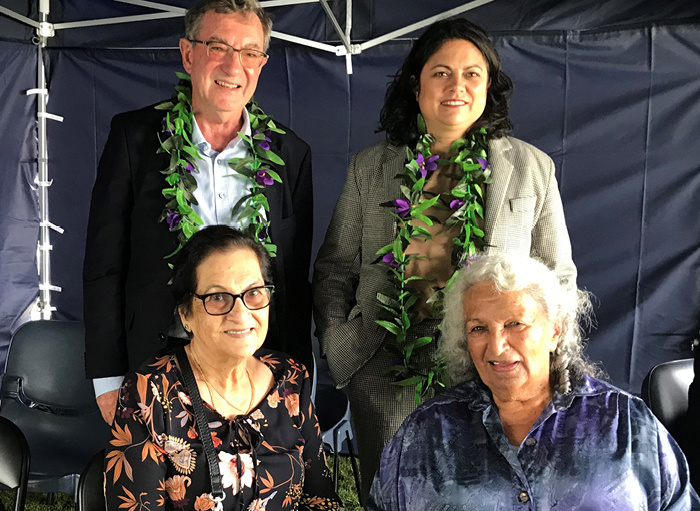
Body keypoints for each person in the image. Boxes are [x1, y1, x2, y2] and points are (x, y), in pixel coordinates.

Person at [312, 17, 576, 497]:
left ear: (488, 85)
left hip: (491, 368)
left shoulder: (532, 169)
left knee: (487, 496)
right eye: (441, 73)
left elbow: (558, 277)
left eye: (472, 73)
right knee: (395, 496)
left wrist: (546, 363)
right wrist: (340, 341)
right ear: (417, 86)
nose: (457, 86)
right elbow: (334, 268)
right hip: (386, 370)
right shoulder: (371, 167)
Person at [84, 0, 314, 425]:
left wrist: (296, 374)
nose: (233, 66)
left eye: (249, 52)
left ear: (261, 63)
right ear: (189, 54)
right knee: (157, 487)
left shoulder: (290, 155)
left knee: (247, 487)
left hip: (253, 364)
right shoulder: (134, 139)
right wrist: (107, 378)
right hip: (156, 354)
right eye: (218, 47)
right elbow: (104, 266)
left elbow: (292, 281)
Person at [368, 254, 700, 510]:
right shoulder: (426, 432)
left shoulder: (626, 425)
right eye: (479, 328)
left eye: (515, 323)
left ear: (555, 330)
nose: (497, 346)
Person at [105, 225, 341, 510]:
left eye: (254, 292)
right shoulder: (150, 393)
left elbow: (321, 499)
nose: (241, 313)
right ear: (185, 314)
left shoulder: (290, 379)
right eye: (218, 297)